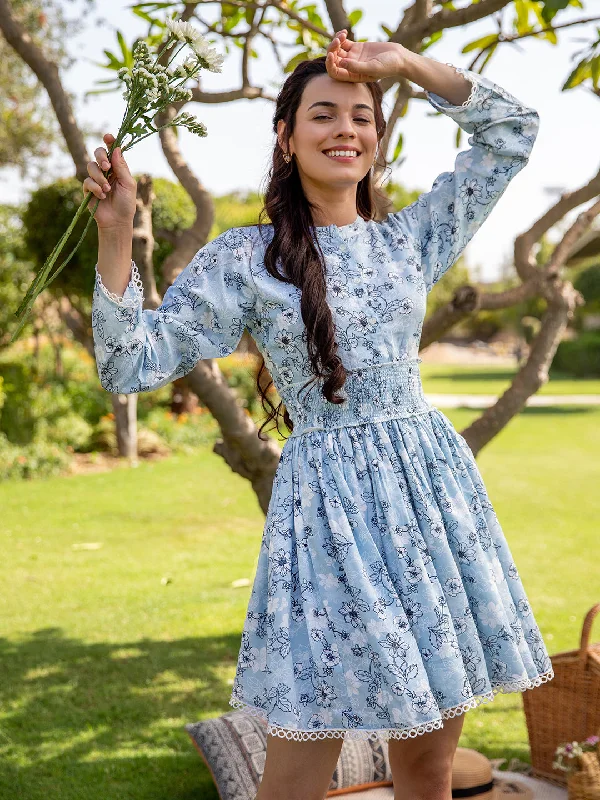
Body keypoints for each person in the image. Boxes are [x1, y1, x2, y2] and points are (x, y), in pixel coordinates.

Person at [84, 29, 554, 800]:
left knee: (429, 764)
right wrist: (114, 234)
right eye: (324, 115)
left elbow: (513, 133)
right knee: (298, 769)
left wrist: (401, 63)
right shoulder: (247, 260)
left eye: (362, 117)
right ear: (285, 135)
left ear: (378, 136)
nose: (346, 131)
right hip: (327, 510)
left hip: (431, 499)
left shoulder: (410, 240)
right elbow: (129, 361)